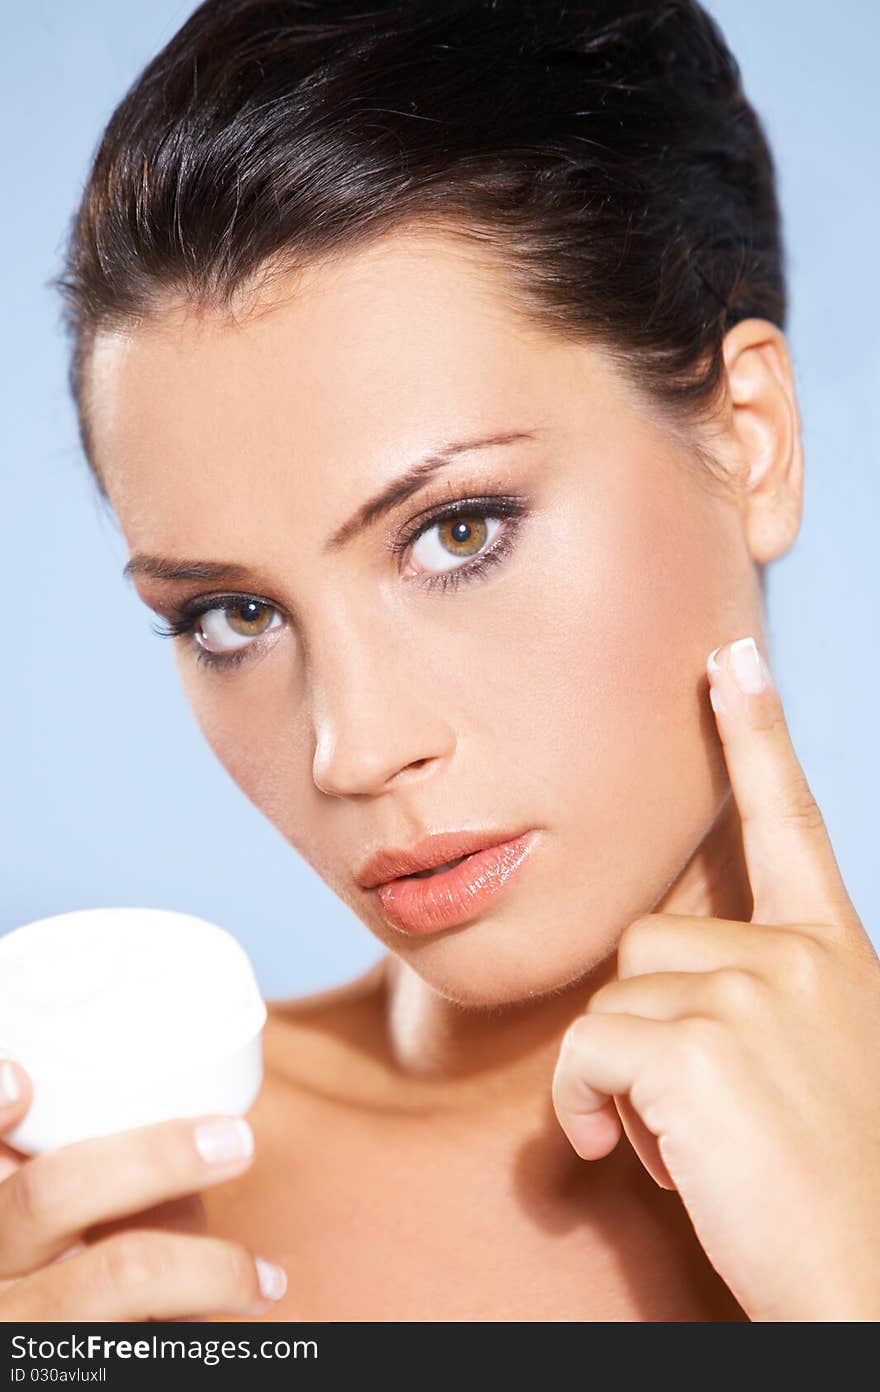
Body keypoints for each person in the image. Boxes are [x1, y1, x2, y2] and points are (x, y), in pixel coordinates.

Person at [1, 0, 878, 1322]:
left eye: (457, 532)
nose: (351, 749)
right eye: (231, 615)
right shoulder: (90, 1224)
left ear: (749, 438)